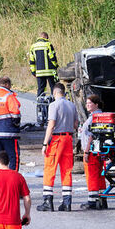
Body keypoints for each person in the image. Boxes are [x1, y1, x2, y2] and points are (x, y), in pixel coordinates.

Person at [39, 82, 79, 212]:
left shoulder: (53, 105)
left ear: (54, 92)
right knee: (67, 170)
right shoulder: (72, 105)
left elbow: (51, 125)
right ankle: (67, 202)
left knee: (50, 168)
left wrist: (45, 143)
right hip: (69, 139)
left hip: (57, 139)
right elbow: (75, 124)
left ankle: (47, 201)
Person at [78, 94, 108, 210]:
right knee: (100, 175)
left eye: (90, 103)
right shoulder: (100, 116)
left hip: (91, 151)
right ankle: (102, 199)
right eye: (86, 103)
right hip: (99, 150)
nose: (87, 105)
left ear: (96, 104)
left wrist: (85, 152)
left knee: (92, 175)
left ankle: (92, 201)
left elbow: (91, 135)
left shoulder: (93, 118)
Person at [28, 32, 58, 97]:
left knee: (41, 89)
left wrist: (33, 72)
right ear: (46, 37)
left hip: (39, 73)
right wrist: (55, 66)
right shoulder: (48, 44)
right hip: (50, 72)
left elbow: (32, 61)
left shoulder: (33, 46)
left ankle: (40, 104)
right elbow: (52, 57)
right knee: (54, 87)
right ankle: (54, 103)